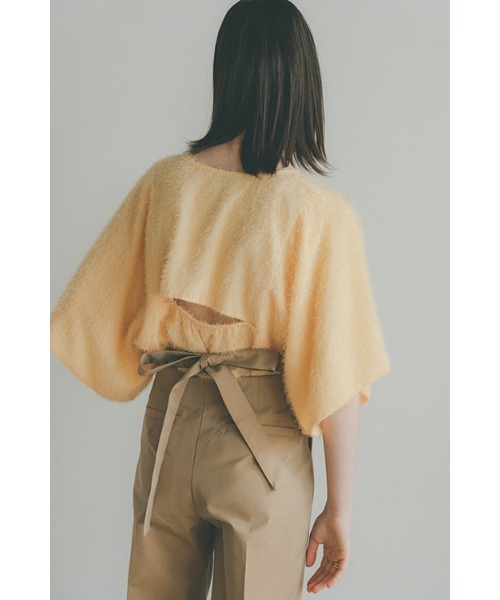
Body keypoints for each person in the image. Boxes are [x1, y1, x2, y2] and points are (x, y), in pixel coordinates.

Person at [50, 1, 391, 598]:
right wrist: (338, 510)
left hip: (170, 425)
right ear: (302, 84)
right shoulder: (318, 217)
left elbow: (90, 310)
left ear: (225, 74)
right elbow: (335, 377)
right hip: (263, 445)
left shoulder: (164, 183)